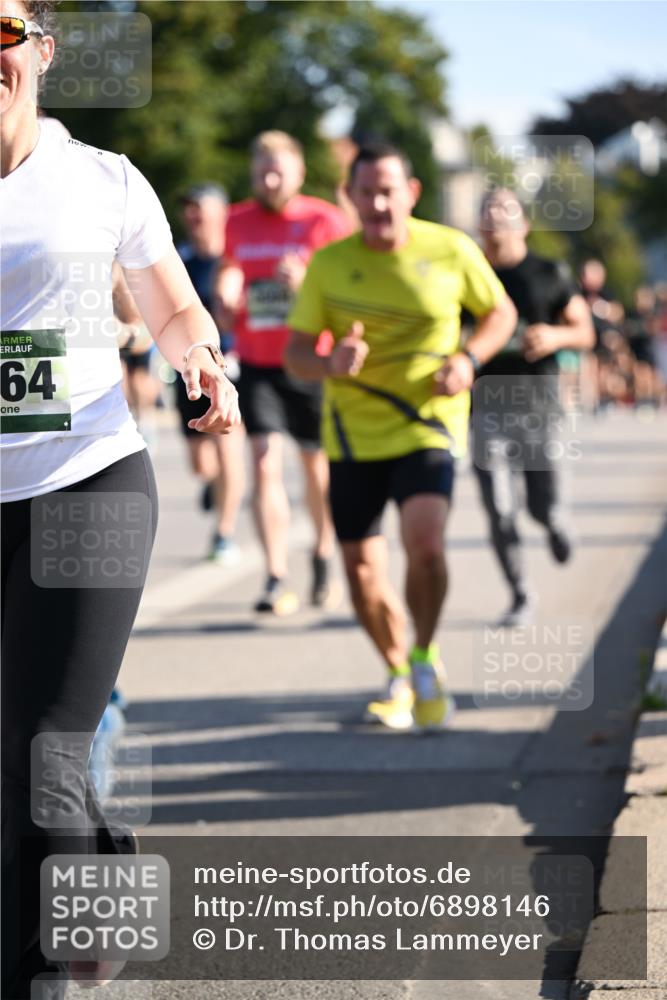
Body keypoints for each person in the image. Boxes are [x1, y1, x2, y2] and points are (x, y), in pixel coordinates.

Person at [0, 3, 241, 994]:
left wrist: (203, 358)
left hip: (87, 480)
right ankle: (108, 878)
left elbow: (172, 301)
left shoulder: (101, 178)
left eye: (2, 32)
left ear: (42, 53)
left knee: (41, 746)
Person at [284, 143, 517, 730]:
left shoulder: (451, 248)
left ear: (411, 193)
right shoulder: (330, 263)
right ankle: (396, 670)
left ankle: (423, 654)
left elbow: (500, 314)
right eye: (367, 192)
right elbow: (294, 355)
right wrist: (330, 363)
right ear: (352, 196)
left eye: (390, 190)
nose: (379, 202)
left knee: (427, 543)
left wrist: (468, 359)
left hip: (428, 424)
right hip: (353, 436)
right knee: (362, 574)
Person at [216, 130, 350, 614]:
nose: (269, 179)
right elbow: (230, 268)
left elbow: (350, 284)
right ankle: (275, 574)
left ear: (298, 173)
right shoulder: (237, 220)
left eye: (278, 171)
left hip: (311, 360)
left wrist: (309, 280)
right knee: (264, 461)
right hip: (257, 361)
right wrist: (227, 295)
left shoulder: (324, 220)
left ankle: (322, 550)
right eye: (261, 171)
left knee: (316, 470)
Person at [473, 188, 595, 626]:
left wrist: (556, 337)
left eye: (505, 210)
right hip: (484, 408)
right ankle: (521, 594)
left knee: (540, 507)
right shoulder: (470, 274)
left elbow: (585, 332)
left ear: (523, 224)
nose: (495, 217)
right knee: (498, 507)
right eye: (486, 210)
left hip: (539, 406)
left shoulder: (548, 272)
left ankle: (554, 519)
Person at [176, 183, 245, 564]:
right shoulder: (179, 260)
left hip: (233, 365)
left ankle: (224, 532)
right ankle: (212, 485)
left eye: (200, 207)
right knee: (202, 463)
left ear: (223, 213)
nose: (193, 216)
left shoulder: (235, 259)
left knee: (229, 445)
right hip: (186, 370)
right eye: (189, 209)